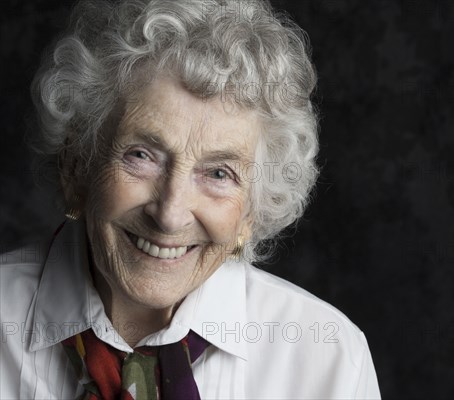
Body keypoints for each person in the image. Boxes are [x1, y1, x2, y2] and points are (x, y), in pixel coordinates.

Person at [0, 0, 380, 398]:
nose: (170, 214)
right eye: (141, 156)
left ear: (251, 212)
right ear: (77, 165)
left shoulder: (326, 358)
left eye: (219, 174)